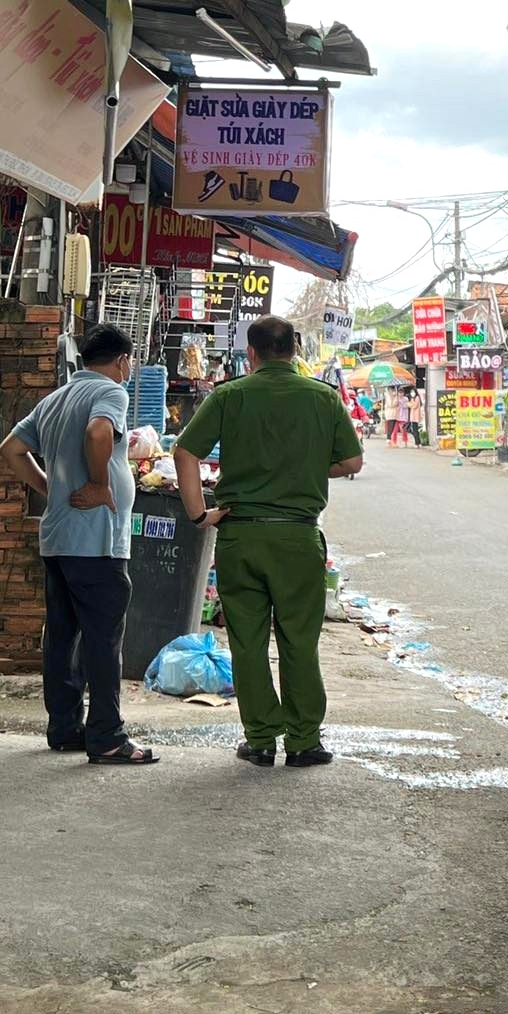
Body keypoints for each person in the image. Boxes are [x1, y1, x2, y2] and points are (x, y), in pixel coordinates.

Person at [174, 315, 364, 768]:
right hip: (297, 537)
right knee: (299, 640)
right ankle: (303, 741)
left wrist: (199, 514)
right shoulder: (322, 397)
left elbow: (185, 452)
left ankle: (260, 739)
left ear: (252, 353)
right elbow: (352, 460)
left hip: (241, 534)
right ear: (295, 350)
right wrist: (308, 468)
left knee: (247, 640)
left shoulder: (230, 394)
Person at [0, 323, 157, 766]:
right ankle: (107, 736)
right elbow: (98, 434)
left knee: (63, 636)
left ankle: (65, 727)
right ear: (122, 361)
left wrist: (50, 486)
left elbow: (10, 449)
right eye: (128, 364)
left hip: (58, 537)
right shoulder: (111, 393)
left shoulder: (53, 400)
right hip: (97, 540)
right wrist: (102, 484)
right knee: (103, 639)